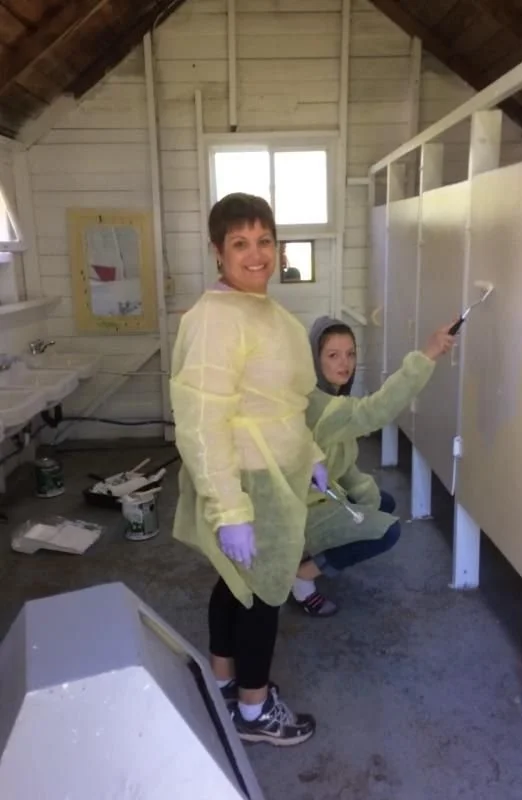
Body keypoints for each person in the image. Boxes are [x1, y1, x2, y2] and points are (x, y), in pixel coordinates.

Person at [170, 192, 329, 746]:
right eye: (240, 243)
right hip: (247, 481)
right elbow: (200, 420)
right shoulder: (216, 319)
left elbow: (283, 399)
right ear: (218, 252)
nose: (255, 253)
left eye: (264, 240)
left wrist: (309, 455)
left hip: (275, 475)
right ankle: (256, 714)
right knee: (264, 595)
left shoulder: (266, 311)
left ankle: (223, 681)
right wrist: (231, 509)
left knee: (235, 584)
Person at [290, 316, 455, 617]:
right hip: (298, 506)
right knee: (386, 532)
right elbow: (376, 410)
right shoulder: (319, 406)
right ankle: (302, 578)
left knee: (383, 503)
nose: (345, 364)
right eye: (332, 355)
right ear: (314, 358)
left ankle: (314, 553)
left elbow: (343, 465)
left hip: (319, 494)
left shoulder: (326, 395)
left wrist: (369, 501)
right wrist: (427, 354)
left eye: (350, 354)